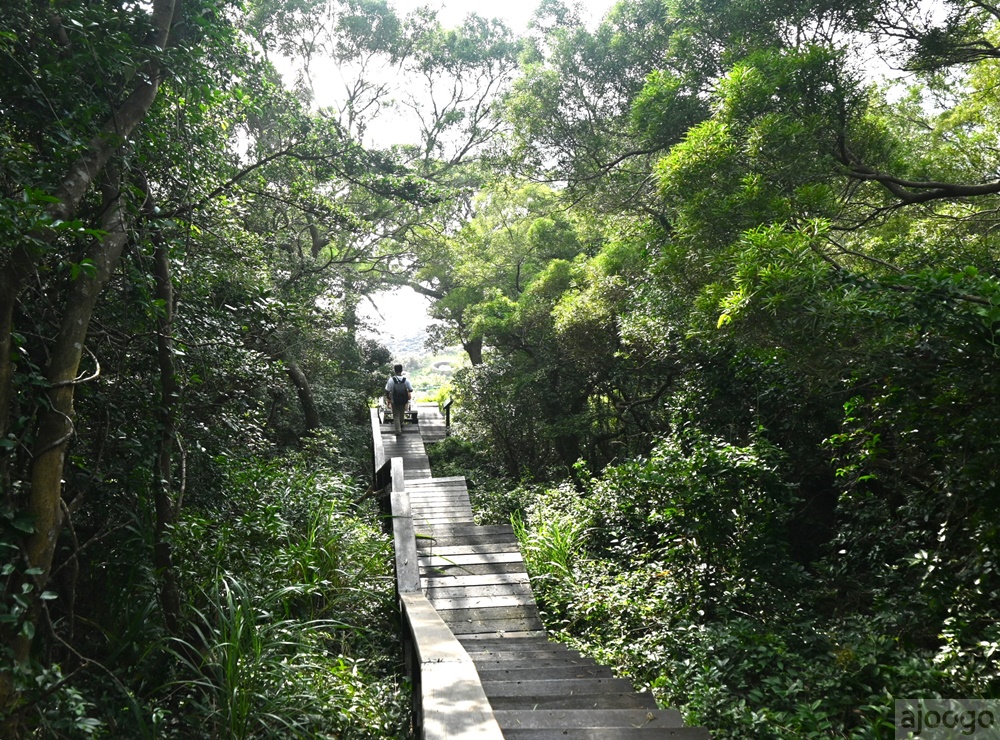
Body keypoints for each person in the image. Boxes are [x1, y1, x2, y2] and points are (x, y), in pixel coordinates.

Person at [384, 364, 413, 436]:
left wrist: (388, 397)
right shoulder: (406, 380)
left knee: (396, 414)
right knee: (402, 413)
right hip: (403, 400)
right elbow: (411, 389)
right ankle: (400, 424)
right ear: (401, 370)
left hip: (394, 400)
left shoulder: (391, 380)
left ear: (394, 370)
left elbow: (387, 390)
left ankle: (398, 430)